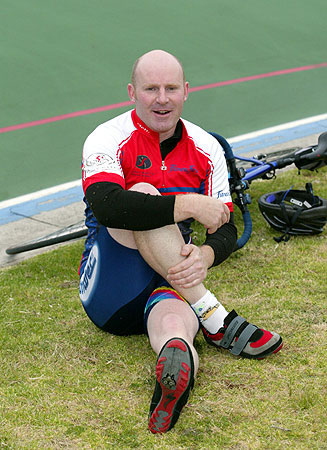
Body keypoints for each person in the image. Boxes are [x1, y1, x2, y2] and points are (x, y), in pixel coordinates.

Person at [79, 49, 283, 434]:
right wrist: (187, 204)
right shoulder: (107, 137)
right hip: (112, 288)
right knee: (141, 192)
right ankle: (216, 316)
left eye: (171, 88)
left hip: (173, 282)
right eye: (151, 88)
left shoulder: (207, 148)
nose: (162, 98)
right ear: (131, 92)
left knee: (174, 328)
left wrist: (205, 255)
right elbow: (109, 207)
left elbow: (224, 227)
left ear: (186, 91)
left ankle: (174, 373)